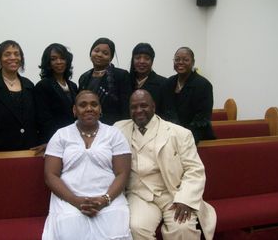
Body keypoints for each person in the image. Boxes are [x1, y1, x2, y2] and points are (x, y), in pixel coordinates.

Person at [114, 89, 216, 240]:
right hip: (139, 194)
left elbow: (194, 169)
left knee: (183, 228)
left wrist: (185, 199)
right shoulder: (118, 130)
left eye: (144, 106)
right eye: (134, 107)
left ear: (153, 107)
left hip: (172, 194)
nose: (138, 110)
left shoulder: (180, 133)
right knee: (136, 227)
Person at [42, 90, 132, 240]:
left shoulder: (114, 134)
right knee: (70, 232)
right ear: (74, 110)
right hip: (68, 200)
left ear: (100, 109)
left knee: (114, 233)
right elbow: (50, 175)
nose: (89, 108)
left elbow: (122, 173)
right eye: (83, 105)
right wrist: (75, 201)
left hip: (110, 200)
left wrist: (105, 199)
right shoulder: (61, 135)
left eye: (94, 104)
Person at [162, 47, 215, 144]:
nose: (180, 62)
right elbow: (166, 110)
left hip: (196, 138)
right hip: (171, 136)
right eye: (177, 59)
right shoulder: (168, 83)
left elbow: (202, 118)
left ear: (193, 62)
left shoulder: (203, 85)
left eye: (185, 59)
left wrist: (185, 138)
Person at [79, 37, 132, 125]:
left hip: (113, 127)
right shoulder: (84, 77)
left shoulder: (121, 75)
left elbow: (126, 108)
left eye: (105, 53)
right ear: (91, 52)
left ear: (111, 58)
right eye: (96, 51)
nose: (99, 55)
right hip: (87, 125)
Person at [35, 43, 78, 145]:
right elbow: (43, 119)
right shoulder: (43, 85)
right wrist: (56, 140)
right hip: (53, 140)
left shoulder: (73, 86)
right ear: (48, 62)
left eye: (62, 58)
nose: (59, 62)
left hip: (74, 138)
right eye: (53, 59)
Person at [129, 42, 167, 116]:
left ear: (152, 61)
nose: (142, 61)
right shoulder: (126, 80)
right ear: (133, 60)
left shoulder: (163, 83)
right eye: (138, 58)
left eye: (147, 58)